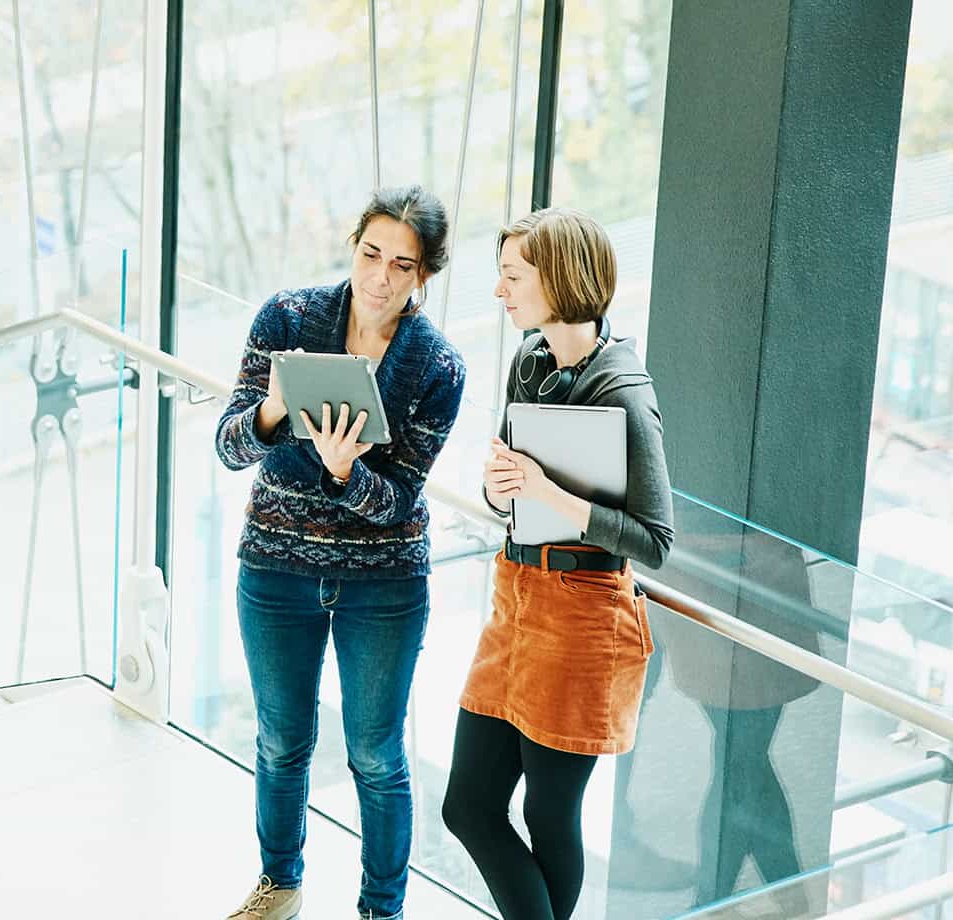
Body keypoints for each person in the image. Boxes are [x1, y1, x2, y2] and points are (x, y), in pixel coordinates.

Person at [215, 185, 466, 920]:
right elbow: (231, 446)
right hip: (275, 568)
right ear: (353, 246)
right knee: (282, 740)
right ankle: (280, 886)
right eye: (370, 254)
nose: (380, 277)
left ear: (424, 276)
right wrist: (270, 411)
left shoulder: (437, 368)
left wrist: (345, 472)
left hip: (382, 588)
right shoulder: (287, 318)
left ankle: (380, 911)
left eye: (402, 264)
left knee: (377, 757)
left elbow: (402, 503)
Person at [442, 207, 674, 920]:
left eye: (512, 276)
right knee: (469, 805)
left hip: (582, 619)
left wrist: (552, 494)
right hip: (517, 600)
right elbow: (510, 497)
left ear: (560, 280)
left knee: (548, 817)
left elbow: (656, 541)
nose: (499, 292)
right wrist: (503, 483)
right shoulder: (531, 359)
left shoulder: (624, 391)